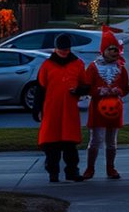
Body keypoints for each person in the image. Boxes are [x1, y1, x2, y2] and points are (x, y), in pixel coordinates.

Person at [34, 33, 89, 183]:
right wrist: (37, 108)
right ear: (55, 49)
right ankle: (53, 172)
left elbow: (85, 85)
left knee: (69, 144)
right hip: (51, 109)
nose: (64, 52)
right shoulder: (47, 65)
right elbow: (40, 88)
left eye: (66, 49)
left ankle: (72, 171)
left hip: (69, 110)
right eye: (61, 50)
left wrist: (79, 91)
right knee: (52, 144)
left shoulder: (77, 64)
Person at [82, 26, 129, 180]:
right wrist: (98, 91)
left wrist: (118, 91)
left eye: (116, 50)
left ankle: (111, 168)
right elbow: (87, 87)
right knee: (95, 140)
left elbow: (125, 88)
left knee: (112, 141)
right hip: (97, 108)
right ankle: (90, 168)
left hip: (114, 107)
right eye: (110, 50)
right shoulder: (93, 68)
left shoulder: (121, 68)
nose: (114, 53)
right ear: (104, 51)